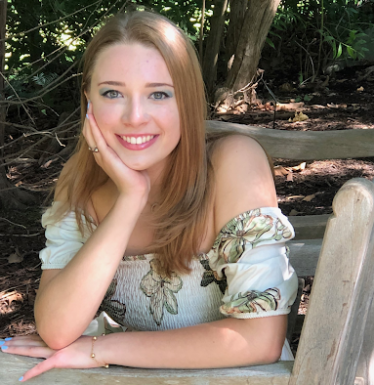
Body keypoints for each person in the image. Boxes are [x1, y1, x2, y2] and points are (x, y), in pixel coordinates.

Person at [0, 10, 298, 382]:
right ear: (88, 101)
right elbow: (58, 329)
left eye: (159, 93)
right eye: (112, 93)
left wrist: (101, 350)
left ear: (186, 102)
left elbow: (261, 339)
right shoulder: (78, 189)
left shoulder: (233, 164)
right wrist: (130, 199)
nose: (135, 117)